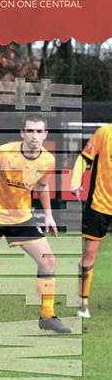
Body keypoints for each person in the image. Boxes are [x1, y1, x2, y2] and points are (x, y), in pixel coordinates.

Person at [0, 115, 71, 334]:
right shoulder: (4, 152)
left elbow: (43, 186)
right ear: (22, 133)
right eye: (30, 131)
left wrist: (48, 215)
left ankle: (47, 316)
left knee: (48, 260)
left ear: (45, 134)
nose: (34, 136)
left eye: (39, 132)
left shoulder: (47, 160)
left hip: (22, 219)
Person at [70, 122, 112, 318]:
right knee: (89, 253)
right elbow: (83, 158)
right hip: (99, 204)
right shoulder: (104, 133)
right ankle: (83, 302)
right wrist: (75, 181)